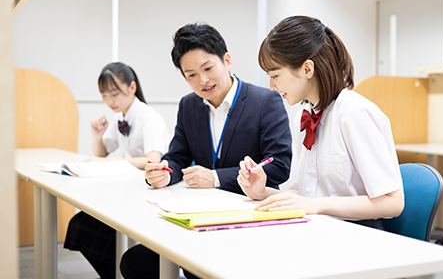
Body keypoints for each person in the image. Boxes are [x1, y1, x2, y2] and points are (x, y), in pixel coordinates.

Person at [120, 23, 292, 279]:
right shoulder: (188, 105)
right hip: (199, 215)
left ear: (227, 61)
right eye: (191, 75)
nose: (203, 81)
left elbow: (277, 164)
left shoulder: (265, 101)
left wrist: (216, 178)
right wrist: (164, 173)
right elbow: (177, 156)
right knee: (134, 262)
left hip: (247, 217)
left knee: (200, 270)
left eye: (208, 68)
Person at [238, 15, 404, 230]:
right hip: (317, 227)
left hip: (357, 234)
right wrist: (262, 192)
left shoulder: (353, 112)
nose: (271, 86)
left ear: (307, 69)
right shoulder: (304, 115)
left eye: (275, 75)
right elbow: (305, 196)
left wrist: (317, 205)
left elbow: (393, 202)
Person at [64, 62, 170, 279]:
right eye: (104, 95)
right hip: (130, 192)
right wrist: (96, 135)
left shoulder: (148, 117)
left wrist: (108, 163)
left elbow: (153, 160)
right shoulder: (120, 117)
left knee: (86, 227)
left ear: (132, 88)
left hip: (153, 193)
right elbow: (102, 154)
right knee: (81, 225)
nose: (109, 101)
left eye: (114, 93)